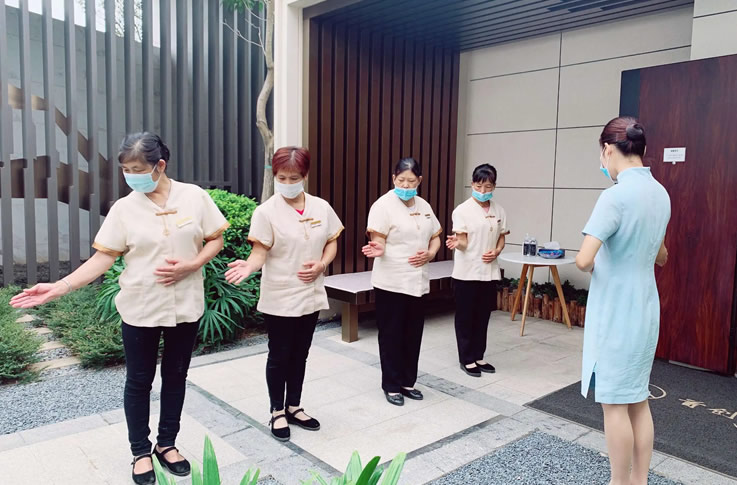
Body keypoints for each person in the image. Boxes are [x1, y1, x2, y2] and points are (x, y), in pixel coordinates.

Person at [10, 133, 230, 485]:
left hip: (186, 304)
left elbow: (215, 239)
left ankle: (167, 444)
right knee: (139, 380)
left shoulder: (194, 197)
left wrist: (193, 264)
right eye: (126, 170)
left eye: (138, 169)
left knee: (176, 376)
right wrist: (60, 287)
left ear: (160, 165)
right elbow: (103, 258)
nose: (131, 176)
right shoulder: (124, 209)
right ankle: (140, 452)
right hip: (140, 306)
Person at [224, 147, 343, 442]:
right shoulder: (266, 212)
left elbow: (331, 241)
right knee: (279, 355)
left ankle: (294, 406)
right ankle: (277, 410)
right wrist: (249, 266)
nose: (287, 183)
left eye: (293, 178)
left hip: (310, 292)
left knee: (301, 353)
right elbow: (259, 251)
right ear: (274, 175)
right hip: (280, 295)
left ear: (305, 176)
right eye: (282, 178)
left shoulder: (321, 207)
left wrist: (322, 264)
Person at [575, 117, 670, 485]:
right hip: (646, 306)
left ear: (607, 150)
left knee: (614, 402)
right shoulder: (660, 193)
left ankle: (618, 482)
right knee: (638, 399)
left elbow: (584, 259)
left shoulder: (614, 196)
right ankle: (639, 480)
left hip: (616, 310)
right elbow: (662, 256)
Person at [362, 157, 442, 406]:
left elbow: (436, 236)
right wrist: (378, 248)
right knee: (391, 335)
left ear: (420, 180)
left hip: (417, 281)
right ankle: (391, 385)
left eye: (411, 181)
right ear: (393, 179)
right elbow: (378, 239)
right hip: (392, 282)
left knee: (413, 333)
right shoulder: (383, 206)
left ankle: (408, 382)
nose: (405, 185)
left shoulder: (424, 205)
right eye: (401, 180)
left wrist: (431, 253)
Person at [447, 164, 508, 377]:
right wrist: (457, 243)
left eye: (488, 187)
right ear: (472, 184)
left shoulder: (499, 210)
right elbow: (463, 241)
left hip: (489, 272)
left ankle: (479, 355)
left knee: (483, 316)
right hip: (467, 273)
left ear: (494, 186)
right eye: (479, 186)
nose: (483, 191)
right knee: (466, 317)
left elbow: (501, 237)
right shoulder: (462, 210)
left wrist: (497, 251)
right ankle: (466, 358)